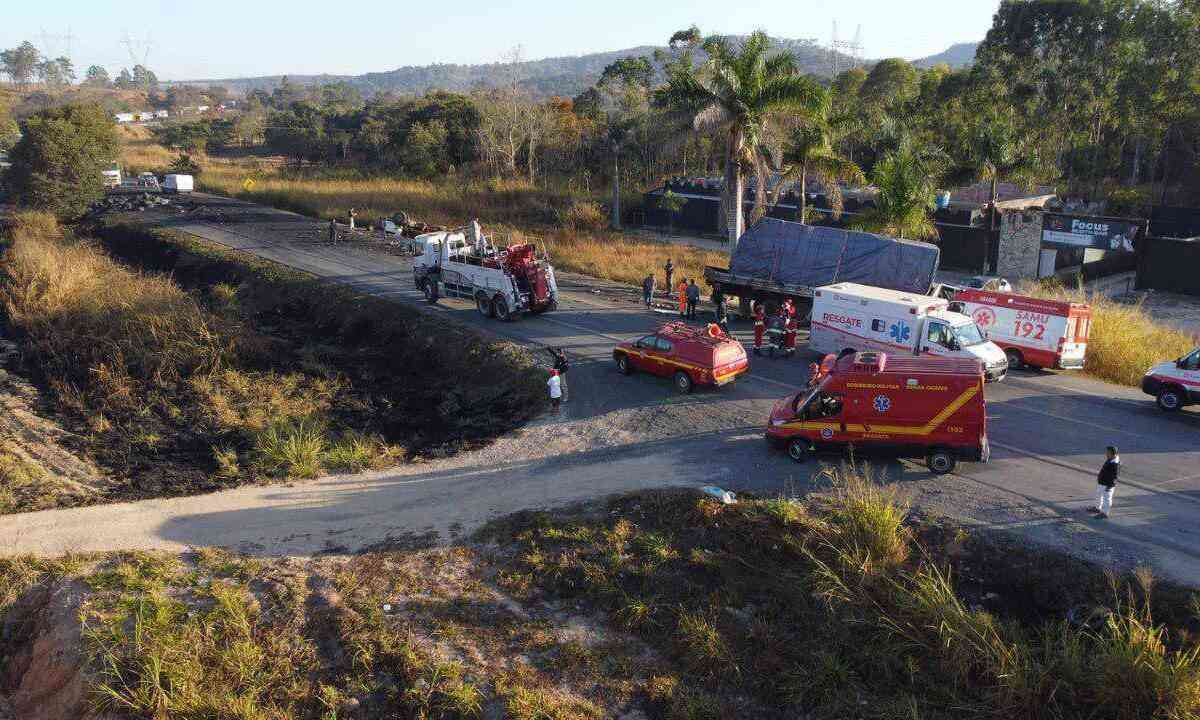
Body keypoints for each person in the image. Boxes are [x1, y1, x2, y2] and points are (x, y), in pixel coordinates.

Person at [1091, 445, 1120, 519]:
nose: (1106, 454)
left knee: (1107, 498)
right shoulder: (1110, 459)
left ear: (1113, 454)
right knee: (1098, 495)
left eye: (1108, 452)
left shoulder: (1115, 464)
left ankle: (1105, 513)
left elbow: (1115, 477)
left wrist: (1110, 486)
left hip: (1107, 484)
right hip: (1102, 482)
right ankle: (1097, 508)